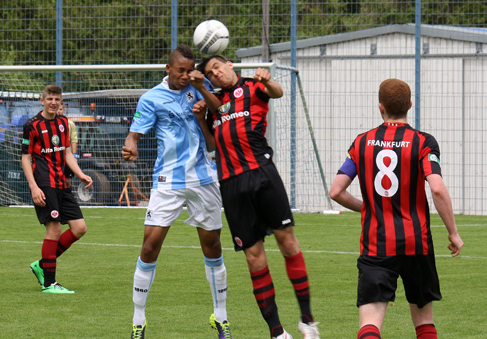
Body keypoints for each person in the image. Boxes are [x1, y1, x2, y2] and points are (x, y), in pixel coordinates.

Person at [193, 56, 321, 339]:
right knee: (254, 258)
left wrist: (267, 80)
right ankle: (277, 333)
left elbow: (277, 92)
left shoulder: (253, 87)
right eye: (210, 75)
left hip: (263, 174)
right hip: (231, 184)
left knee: (288, 243)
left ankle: (307, 321)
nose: (216, 75)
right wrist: (201, 120)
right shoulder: (214, 104)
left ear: (229, 64)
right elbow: (213, 144)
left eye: (218, 68)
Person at [328, 78, 464, 339]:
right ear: (410, 105)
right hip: (417, 243)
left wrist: (366, 208)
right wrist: (453, 233)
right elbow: (437, 188)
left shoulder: (361, 142)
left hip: (376, 244)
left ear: (380, 107)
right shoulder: (423, 142)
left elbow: (336, 191)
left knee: (370, 323)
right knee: (424, 321)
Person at [121, 45, 232, 339]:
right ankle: (139, 320)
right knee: (149, 246)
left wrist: (202, 90)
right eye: (180, 70)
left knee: (212, 247)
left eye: (189, 70)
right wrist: (131, 144)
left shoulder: (201, 86)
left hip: (203, 179)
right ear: (167, 69)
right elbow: (135, 133)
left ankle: (221, 317)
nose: (185, 75)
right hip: (167, 181)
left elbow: (221, 108)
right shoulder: (151, 98)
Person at [21, 84, 93, 294]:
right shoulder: (31, 125)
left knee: (79, 228)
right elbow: (25, 159)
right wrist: (34, 187)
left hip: (62, 183)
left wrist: (80, 174)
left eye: (57, 99)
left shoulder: (64, 123)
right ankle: (49, 283)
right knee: (54, 229)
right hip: (44, 183)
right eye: (49, 99)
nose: (53, 102)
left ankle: (43, 264)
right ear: (42, 101)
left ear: (61, 102)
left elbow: (67, 153)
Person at [57, 102, 79, 188]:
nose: (58, 111)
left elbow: (74, 140)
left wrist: (74, 155)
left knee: (67, 179)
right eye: (57, 109)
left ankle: (67, 193)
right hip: (55, 155)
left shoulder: (70, 124)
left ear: (64, 110)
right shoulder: (49, 123)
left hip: (66, 155)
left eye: (60, 109)